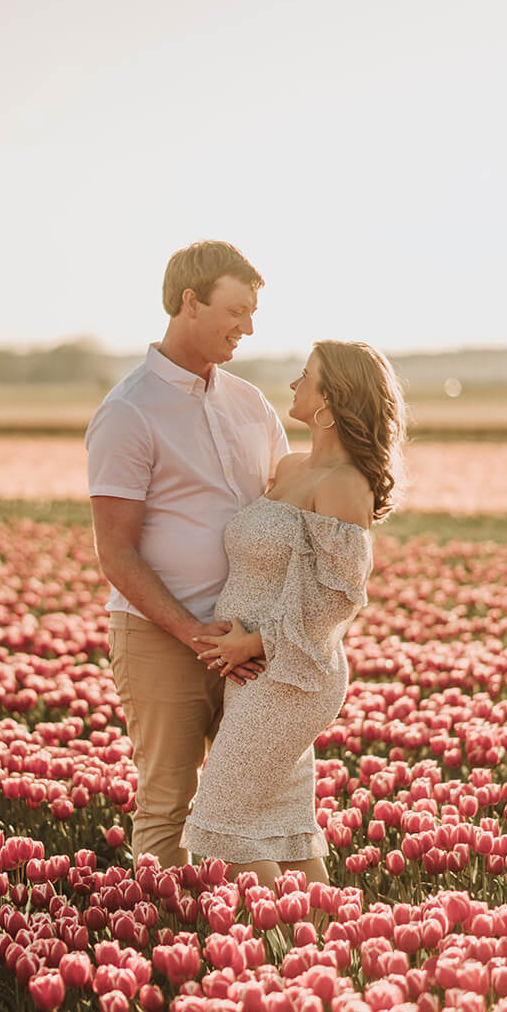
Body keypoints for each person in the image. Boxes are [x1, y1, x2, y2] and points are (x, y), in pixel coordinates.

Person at [85, 241, 290, 868]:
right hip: (161, 635)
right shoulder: (129, 411)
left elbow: (291, 507)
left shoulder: (249, 402)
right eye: (235, 310)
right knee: (168, 799)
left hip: (247, 639)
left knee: (256, 800)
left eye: (253, 312)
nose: (248, 327)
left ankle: (237, 941)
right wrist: (192, 631)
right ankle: (156, 948)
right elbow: (116, 555)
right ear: (189, 302)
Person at [181, 340, 406, 886]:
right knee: (280, 827)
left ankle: (267, 950)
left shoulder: (345, 486)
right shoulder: (289, 467)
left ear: (329, 400)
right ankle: (328, 946)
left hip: (291, 673)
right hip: (256, 673)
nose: (294, 386)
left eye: (306, 376)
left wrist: (254, 643)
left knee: (224, 826)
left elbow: (339, 597)